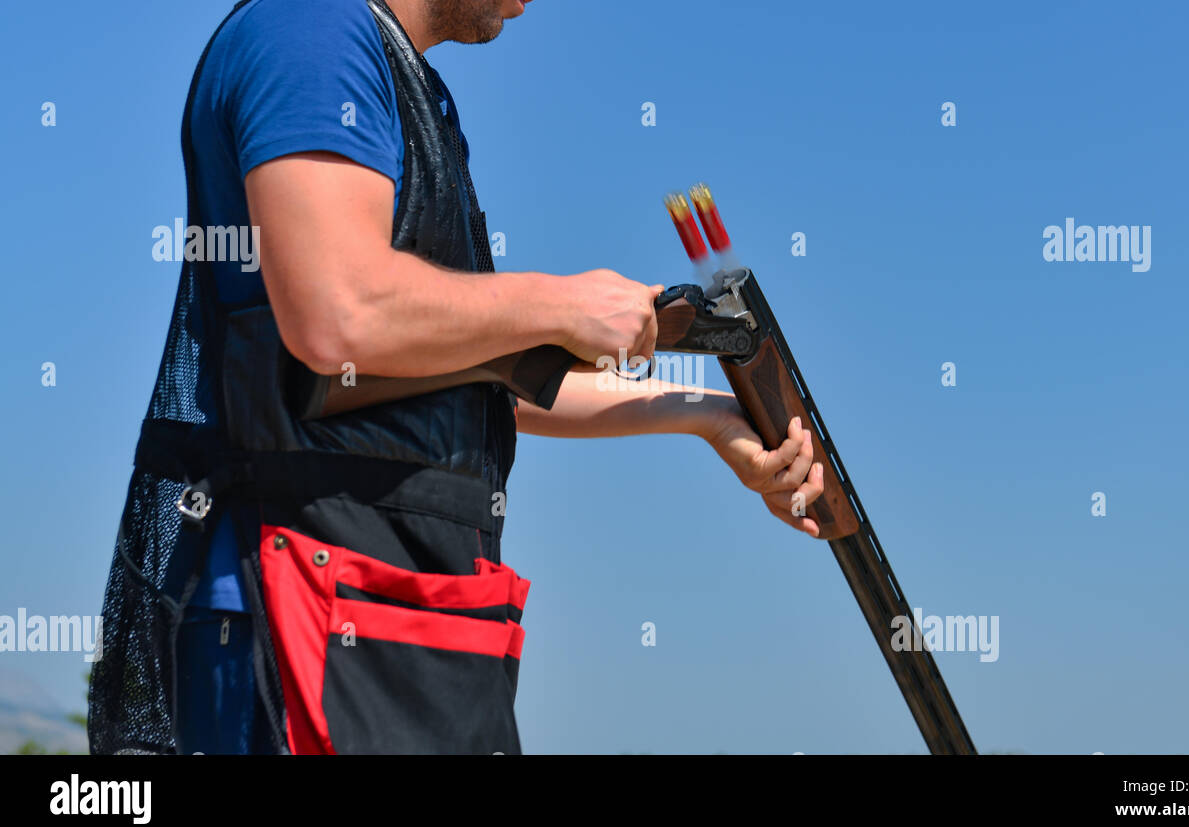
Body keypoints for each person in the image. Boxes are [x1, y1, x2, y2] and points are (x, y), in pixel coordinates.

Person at [89, 0, 824, 755]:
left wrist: (707, 414)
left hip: (402, 621)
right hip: (292, 615)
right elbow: (338, 314)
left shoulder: (404, 81)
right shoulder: (309, 31)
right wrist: (558, 302)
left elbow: (464, 371)